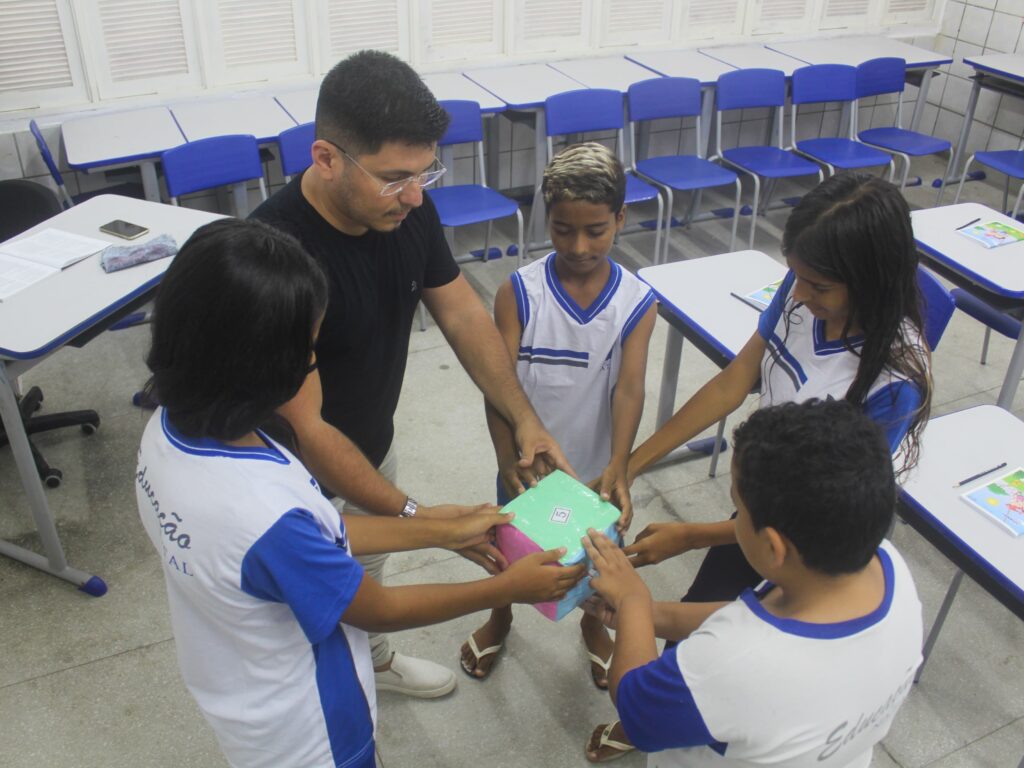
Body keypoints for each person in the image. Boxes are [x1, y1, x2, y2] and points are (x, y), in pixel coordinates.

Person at [136, 218, 585, 768]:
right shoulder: (258, 511)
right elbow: (377, 607)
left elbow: (312, 536)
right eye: (308, 353)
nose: (311, 365)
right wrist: (507, 588)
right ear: (262, 366)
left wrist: (439, 527)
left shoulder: (171, 429)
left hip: (236, 689)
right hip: (311, 731)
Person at [250, 49, 572, 698]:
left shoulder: (406, 207)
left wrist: (525, 416)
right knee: (297, 610)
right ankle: (327, 688)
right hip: (291, 476)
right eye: (396, 177)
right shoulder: (274, 259)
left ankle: (374, 661)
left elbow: (458, 310)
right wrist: (424, 519)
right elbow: (305, 428)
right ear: (326, 158)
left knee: (368, 571)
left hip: (373, 438)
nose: (417, 194)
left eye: (427, 172)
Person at [586, 171, 933, 761]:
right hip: (764, 508)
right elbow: (735, 380)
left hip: (808, 530)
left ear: (868, 280)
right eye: (794, 274)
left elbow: (822, 518)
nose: (797, 294)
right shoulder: (800, 294)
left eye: (818, 285)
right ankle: (678, 698)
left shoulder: (893, 379)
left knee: (728, 645)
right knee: (705, 619)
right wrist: (633, 464)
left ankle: (676, 710)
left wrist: (687, 542)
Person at [582, 399, 923, 767]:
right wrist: (647, 616)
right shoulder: (886, 567)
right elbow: (750, 621)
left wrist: (633, 599)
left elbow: (637, 710)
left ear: (774, 546)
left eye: (738, 510)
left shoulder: (728, 664)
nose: (735, 520)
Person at [459, 143, 657, 684]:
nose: (579, 245)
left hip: (591, 468)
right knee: (510, 549)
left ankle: (593, 623)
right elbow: (497, 386)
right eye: (563, 228)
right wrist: (507, 462)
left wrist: (620, 462)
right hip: (524, 465)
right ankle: (500, 613)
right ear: (547, 219)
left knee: (593, 556)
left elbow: (630, 390)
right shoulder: (519, 292)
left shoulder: (636, 302)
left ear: (620, 218)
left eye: (596, 229)